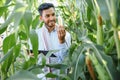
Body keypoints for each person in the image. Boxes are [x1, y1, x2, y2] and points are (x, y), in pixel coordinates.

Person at [29, 3, 71, 80]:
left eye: (53, 14)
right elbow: (33, 60)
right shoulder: (34, 36)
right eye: (47, 16)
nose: (51, 18)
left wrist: (62, 41)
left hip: (60, 77)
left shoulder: (66, 35)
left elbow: (66, 61)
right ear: (41, 18)